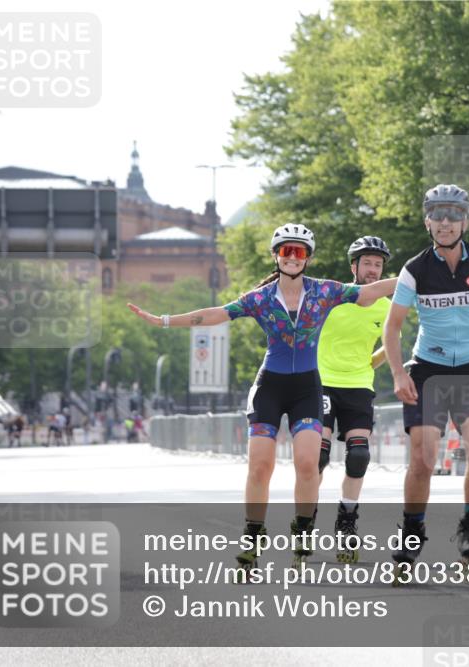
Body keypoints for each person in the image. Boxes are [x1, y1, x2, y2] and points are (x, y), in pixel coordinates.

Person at [127, 223, 396, 570]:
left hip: (308, 389)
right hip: (270, 385)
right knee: (260, 467)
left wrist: (418, 275)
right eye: (287, 251)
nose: (293, 257)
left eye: (300, 252)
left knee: (307, 465)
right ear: (276, 256)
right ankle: (253, 536)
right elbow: (215, 315)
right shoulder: (261, 299)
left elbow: (370, 293)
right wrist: (163, 320)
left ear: (308, 258)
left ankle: (302, 531)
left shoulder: (325, 292)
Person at [383, 184, 469, 577]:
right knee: (424, 457)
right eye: (438, 215)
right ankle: (412, 535)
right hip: (429, 370)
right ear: (427, 221)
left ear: (465, 221)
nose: (445, 223)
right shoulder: (415, 269)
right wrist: (397, 373)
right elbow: (392, 329)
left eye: (453, 215)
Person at [316, 236, 393, 563]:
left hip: (358, 385)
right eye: (367, 263)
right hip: (320, 383)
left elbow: (391, 345)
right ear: (354, 267)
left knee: (359, 455)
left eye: (378, 265)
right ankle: (305, 520)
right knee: (317, 457)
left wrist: (367, 365)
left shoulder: (387, 305)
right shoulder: (334, 298)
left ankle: (346, 522)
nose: (373, 270)